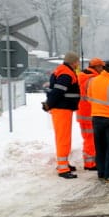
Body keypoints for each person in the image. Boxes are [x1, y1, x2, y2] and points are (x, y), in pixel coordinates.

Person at [44, 51, 81, 179]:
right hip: (62, 109)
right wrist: (49, 103)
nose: (78, 64)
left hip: (63, 109)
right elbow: (58, 91)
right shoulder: (66, 74)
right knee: (63, 139)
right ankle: (63, 168)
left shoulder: (62, 70)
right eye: (77, 61)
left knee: (64, 138)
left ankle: (64, 163)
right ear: (73, 62)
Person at [76, 57, 105, 171]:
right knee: (91, 140)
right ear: (97, 67)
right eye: (101, 67)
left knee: (88, 138)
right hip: (90, 114)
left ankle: (90, 161)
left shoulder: (81, 77)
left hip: (82, 113)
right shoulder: (93, 80)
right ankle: (90, 163)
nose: (103, 69)